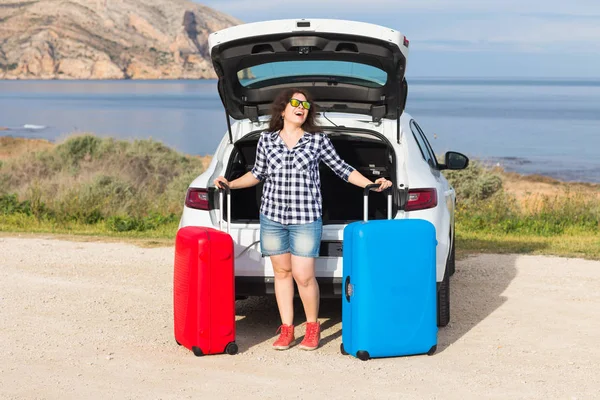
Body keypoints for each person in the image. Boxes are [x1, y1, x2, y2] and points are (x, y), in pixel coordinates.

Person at [214, 88, 391, 351]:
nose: (302, 107)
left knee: (304, 276)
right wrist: (230, 183)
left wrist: (371, 184)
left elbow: (342, 169)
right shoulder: (266, 140)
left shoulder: (317, 141)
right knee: (282, 273)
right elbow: (257, 174)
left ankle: (312, 328)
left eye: (306, 104)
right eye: (296, 103)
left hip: (305, 218)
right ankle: (287, 330)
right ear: (283, 109)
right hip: (272, 217)